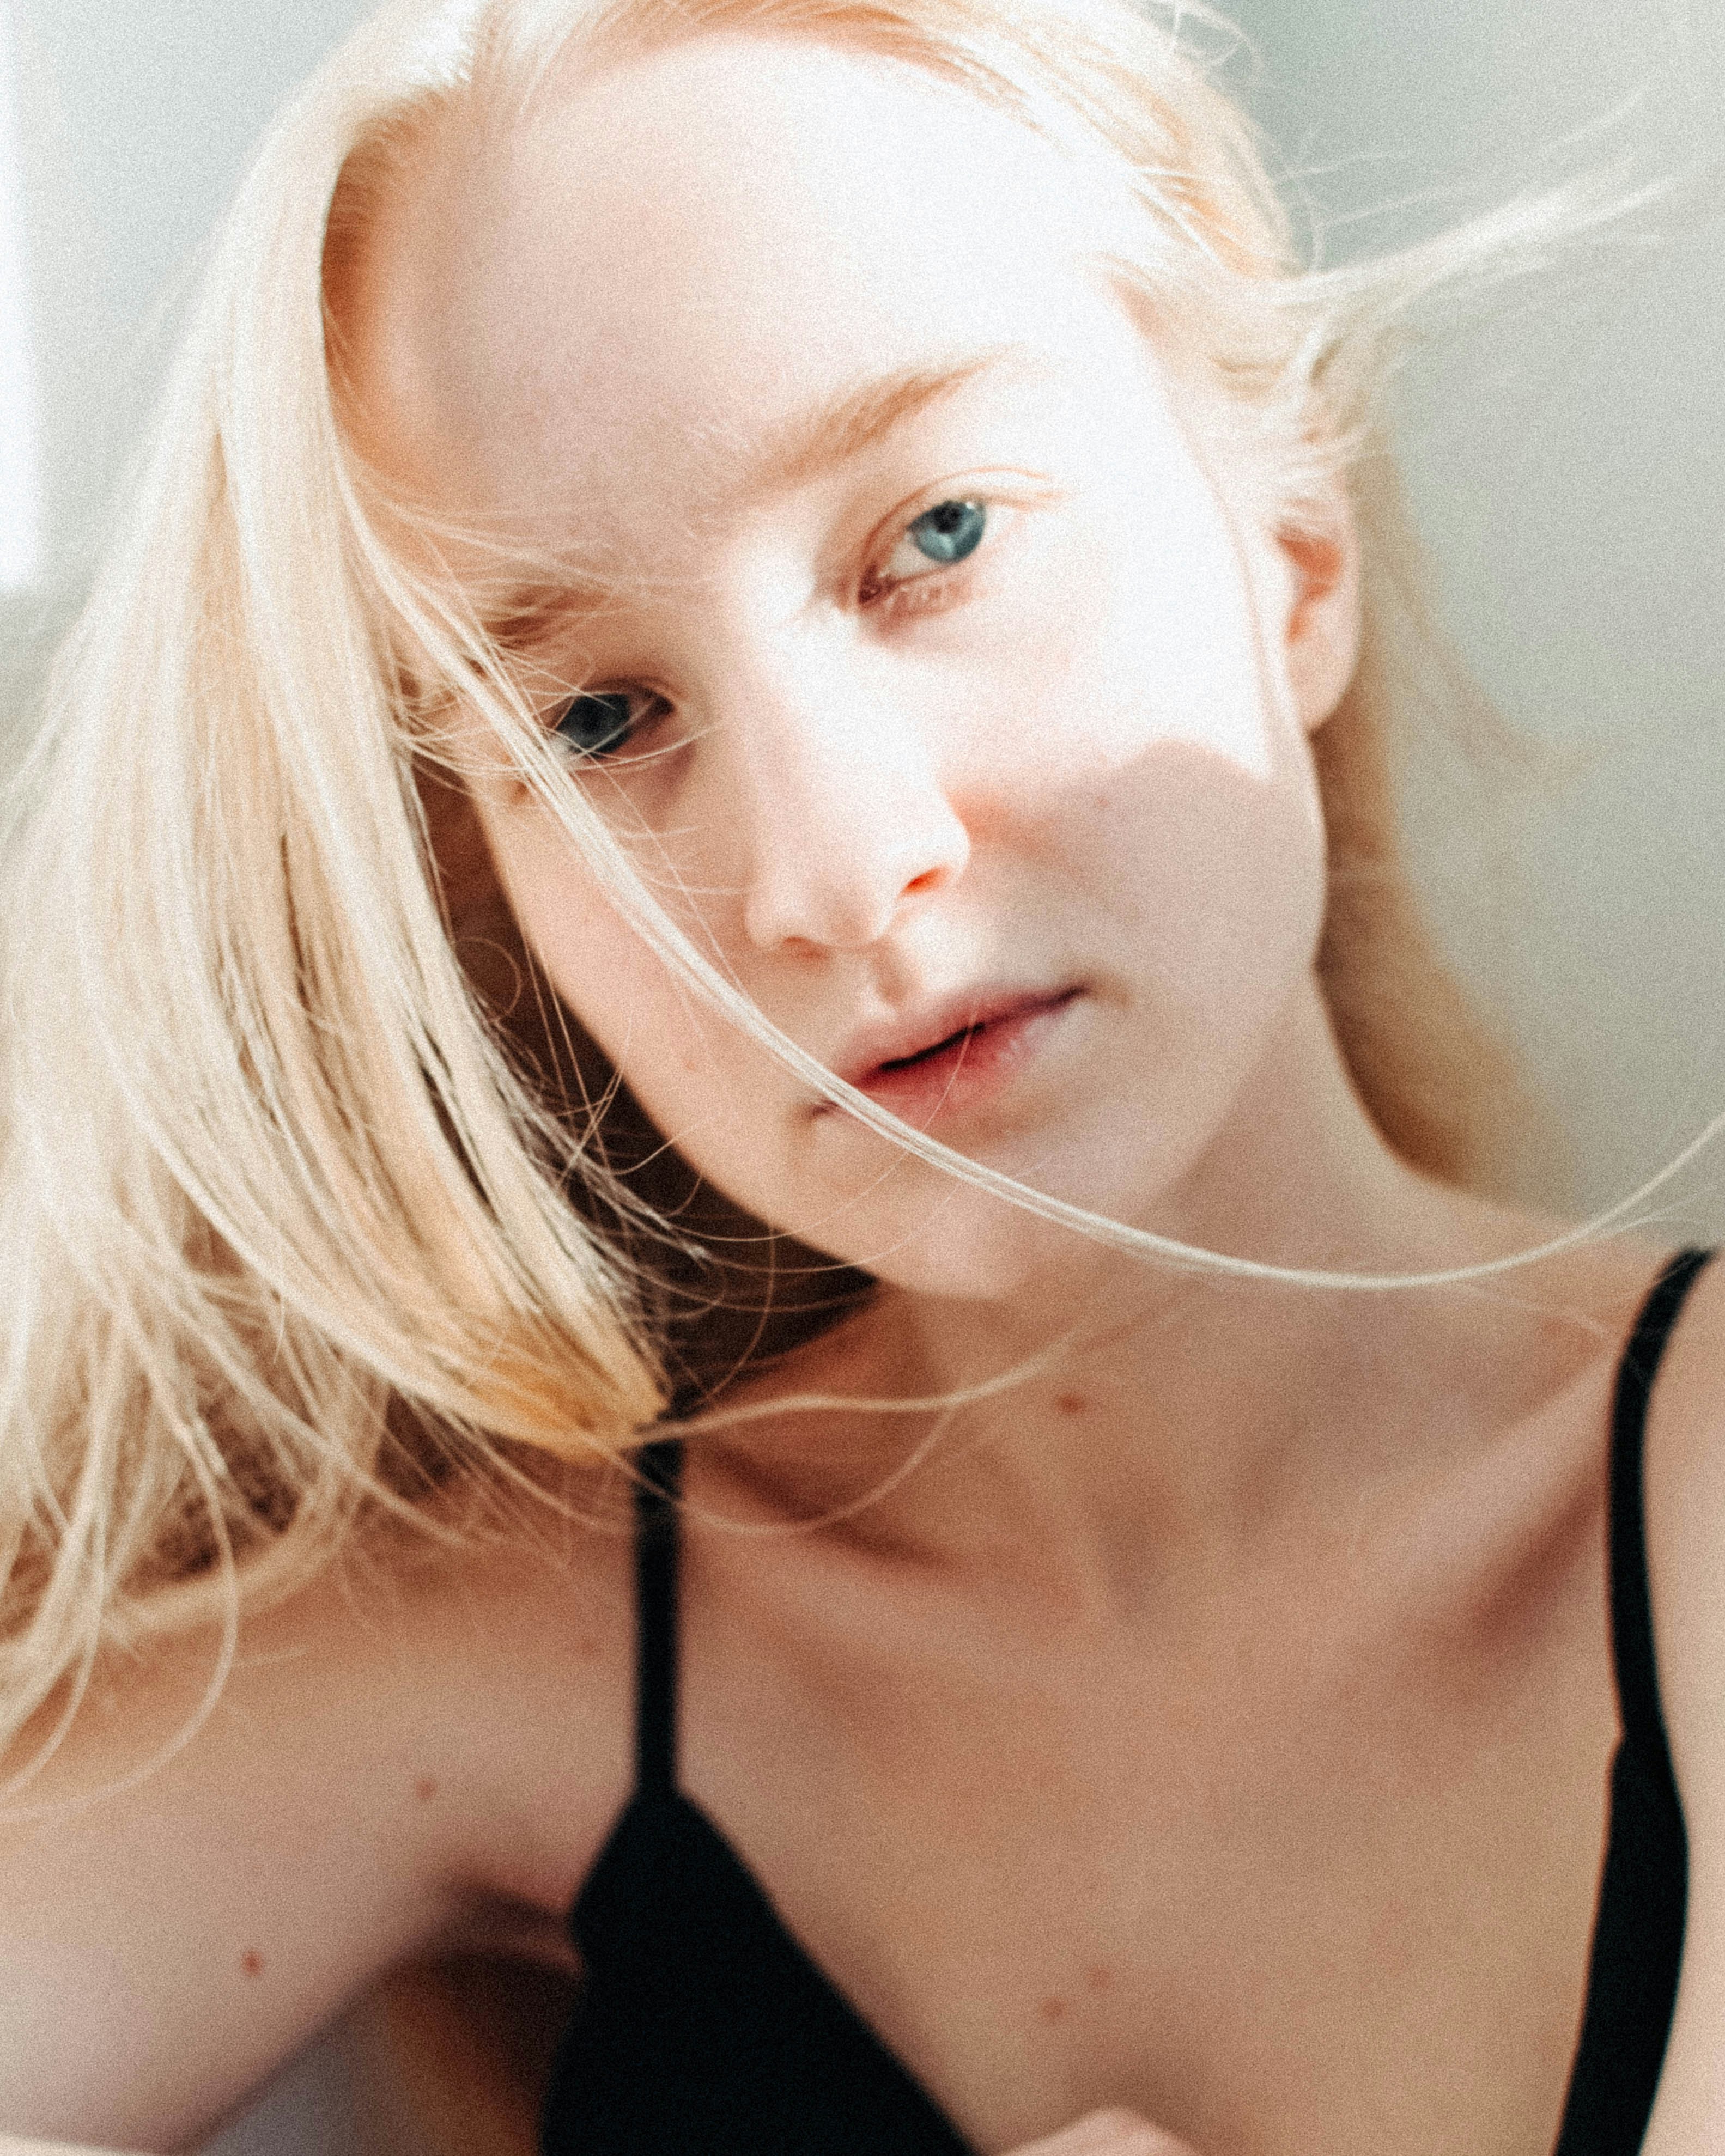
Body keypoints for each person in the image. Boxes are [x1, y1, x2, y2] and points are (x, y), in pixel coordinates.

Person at [1, 1, 1721, 2151]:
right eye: (597, 725)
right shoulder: (504, 1646)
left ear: (1291, 552)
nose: (832, 873)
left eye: (942, 537)